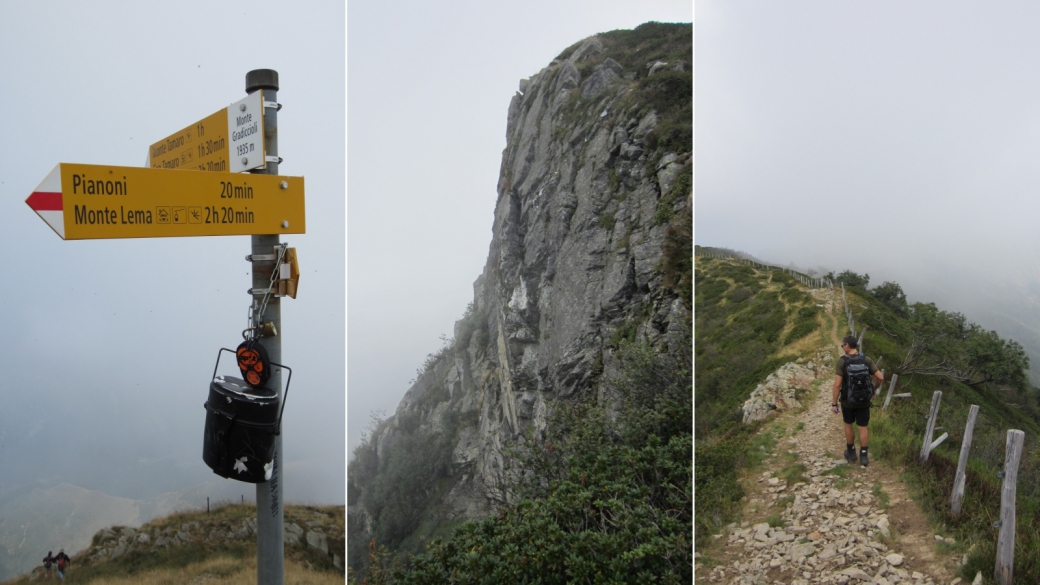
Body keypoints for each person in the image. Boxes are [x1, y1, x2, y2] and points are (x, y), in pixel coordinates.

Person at [832, 335, 884, 466]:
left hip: (847, 401)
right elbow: (880, 377)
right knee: (863, 427)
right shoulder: (866, 359)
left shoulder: (842, 362)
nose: (842, 347)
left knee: (848, 424)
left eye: (843, 345)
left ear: (848, 345)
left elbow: (837, 385)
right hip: (864, 400)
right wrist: (873, 389)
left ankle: (851, 452)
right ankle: (864, 456)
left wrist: (834, 403)